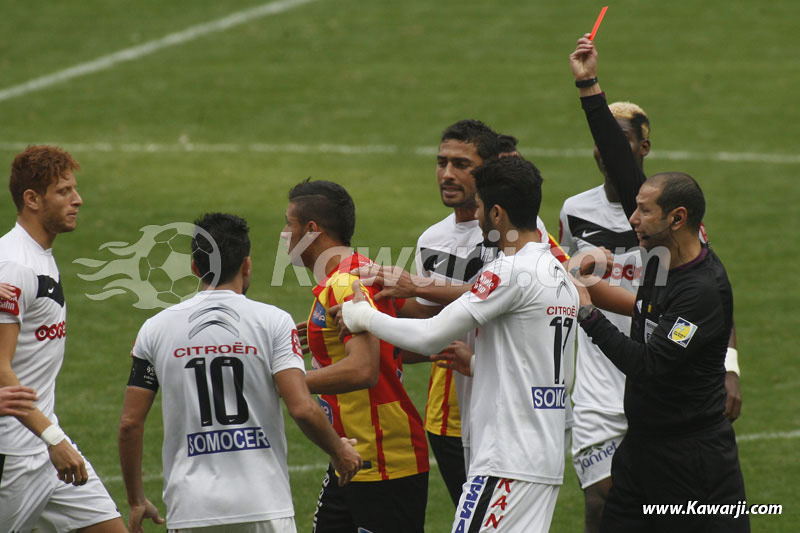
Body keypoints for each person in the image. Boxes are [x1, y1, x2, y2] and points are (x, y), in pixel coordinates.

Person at [339, 156, 579, 532]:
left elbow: (430, 333)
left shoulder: (508, 270)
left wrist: (363, 317)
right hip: (543, 457)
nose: (477, 215)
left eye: (481, 207)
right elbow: (544, 369)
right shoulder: (559, 275)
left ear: (497, 213)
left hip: (505, 460)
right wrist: (480, 364)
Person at [570, 35, 748, 532]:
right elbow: (621, 163)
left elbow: (648, 364)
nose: (632, 218)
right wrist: (587, 84)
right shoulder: (659, 245)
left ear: (677, 218)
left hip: (690, 452)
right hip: (641, 439)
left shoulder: (699, 288)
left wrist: (584, 309)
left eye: (643, 211)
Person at [118, 213, 362, 533]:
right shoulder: (273, 321)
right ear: (246, 265)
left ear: (195, 267)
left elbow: (129, 424)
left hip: (191, 509)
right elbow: (301, 407)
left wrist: (136, 500)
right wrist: (339, 450)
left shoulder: (155, 330)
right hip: (263, 504)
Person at [283, 179, 429, 533]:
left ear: (311, 230)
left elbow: (364, 369)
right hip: (353, 454)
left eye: (290, 224)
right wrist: (321, 338)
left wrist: (288, 383)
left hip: (383, 459)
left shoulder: (345, 283)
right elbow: (390, 349)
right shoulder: (358, 269)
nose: (284, 234)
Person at [0, 145, 126, 532]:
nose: (78, 200)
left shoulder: (39, 256)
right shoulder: (14, 266)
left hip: (45, 441)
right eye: (64, 192)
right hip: (15, 452)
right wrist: (53, 438)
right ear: (32, 200)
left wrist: (53, 437)